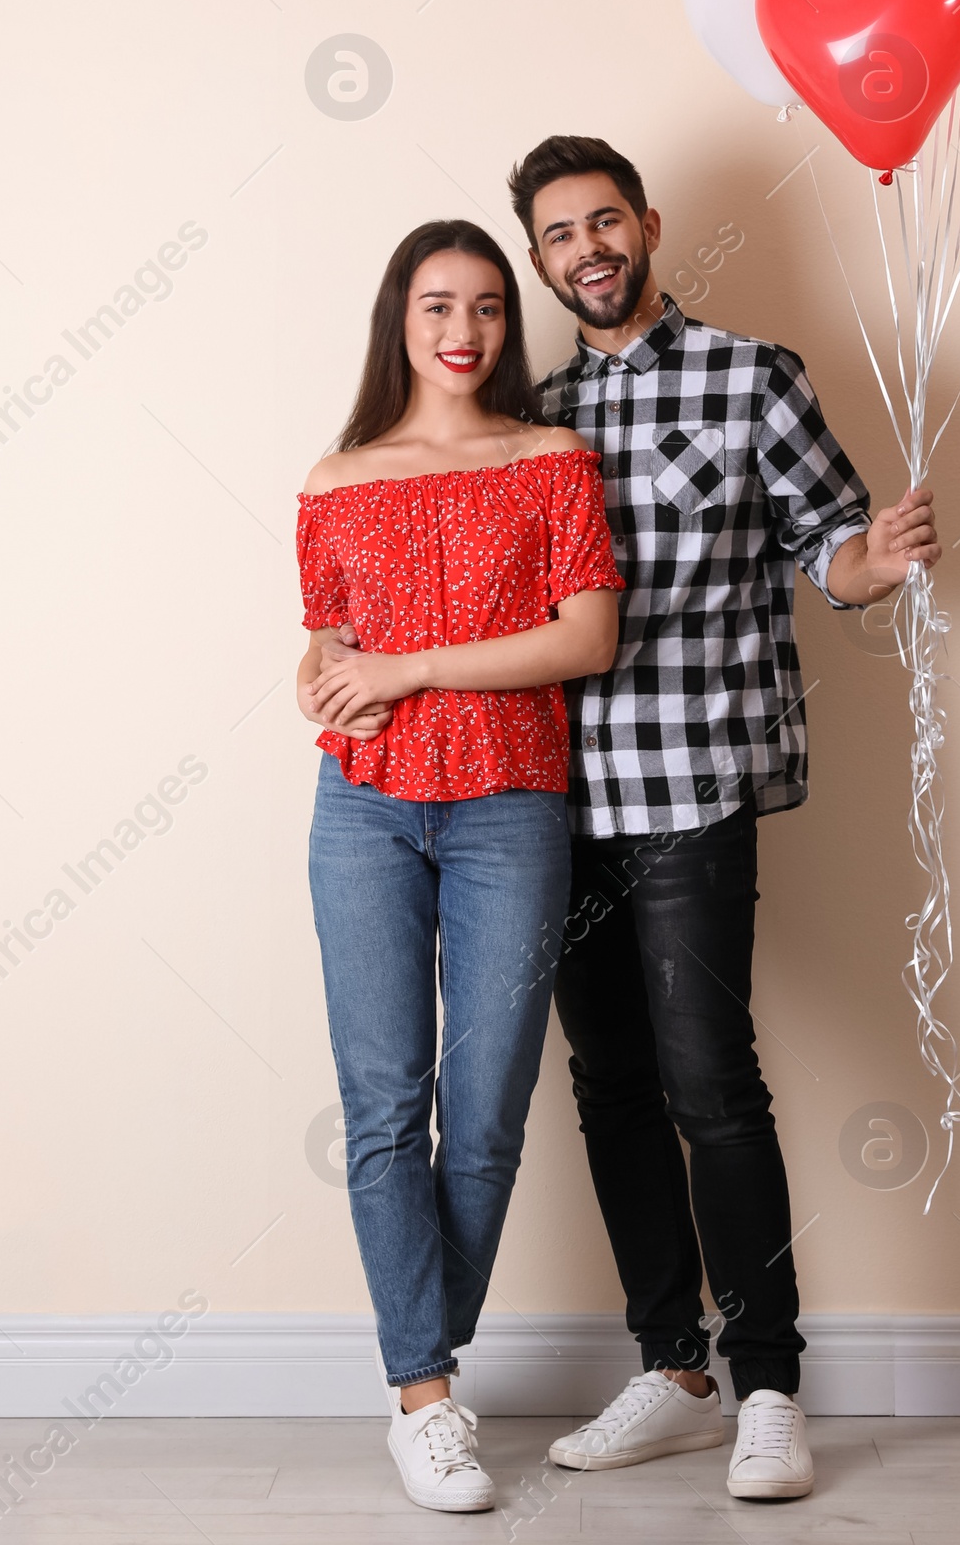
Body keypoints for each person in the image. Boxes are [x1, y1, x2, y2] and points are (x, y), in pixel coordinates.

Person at [506, 135, 940, 1503]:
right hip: (558, 802)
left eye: (602, 221)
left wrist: (874, 561)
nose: (586, 249)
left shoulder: (755, 376)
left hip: (693, 787)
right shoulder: (537, 414)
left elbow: (833, 546)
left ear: (645, 224)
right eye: (557, 234)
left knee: (712, 1084)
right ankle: (669, 1362)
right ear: (539, 260)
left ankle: (768, 1386)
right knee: (610, 1088)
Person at [296, 217, 624, 1514]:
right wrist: (326, 687)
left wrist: (412, 667)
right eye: (438, 306)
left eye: (487, 306)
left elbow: (585, 639)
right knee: (383, 1106)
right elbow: (323, 649)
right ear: (401, 319)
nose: (464, 330)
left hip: (508, 808)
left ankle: (420, 1361)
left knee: (483, 1112)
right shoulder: (333, 478)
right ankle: (425, 1400)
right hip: (363, 807)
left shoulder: (550, 459)